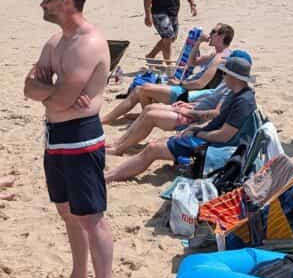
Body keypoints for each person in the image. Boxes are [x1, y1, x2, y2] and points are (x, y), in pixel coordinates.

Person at [23, 0, 114, 278]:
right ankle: (79, 276)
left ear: (67, 1)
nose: (43, 3)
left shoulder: (87, 43)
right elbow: (30, 88)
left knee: (91, 217)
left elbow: (58, 97)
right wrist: (50, 90)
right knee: (66, 211)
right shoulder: (56, 41)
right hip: (55, 134)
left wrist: (50, 90)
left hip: (81, 135)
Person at [105, 54, 260, 184]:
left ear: (233, 76)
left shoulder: (242, 101)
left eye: (225, 73)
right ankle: (113, 170)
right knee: (158, 143)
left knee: (153, 148)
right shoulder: (237, 94)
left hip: (215, 147)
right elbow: (218, 120)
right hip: (208, 138)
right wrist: (195, 129)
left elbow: (224, 135)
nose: (223, 76)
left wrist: (197, 134)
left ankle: (108, 177)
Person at [108, 49, 248, 156]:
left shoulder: (230, 89)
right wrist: (190, 105)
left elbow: (215, 113)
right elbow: (210, 101)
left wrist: (189, 111)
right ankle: (119, 143)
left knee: (151, 116)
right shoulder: (229, 85)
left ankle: (119, 149)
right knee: (149, 108)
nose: (223, 72)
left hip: (194, 119)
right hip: (193, 109)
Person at [102, 23, 234, 125]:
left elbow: (201, 84)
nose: (209, 34)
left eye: (213, 32)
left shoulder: (219, 58)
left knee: (141, 89)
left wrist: (180, 83)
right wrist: (198, 43)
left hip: (192, 94)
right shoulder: (216, 54)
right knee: (142, 89)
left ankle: (109, 119)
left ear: (222, 36)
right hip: (189, 88)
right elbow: (192, 62)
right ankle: (143, 115)